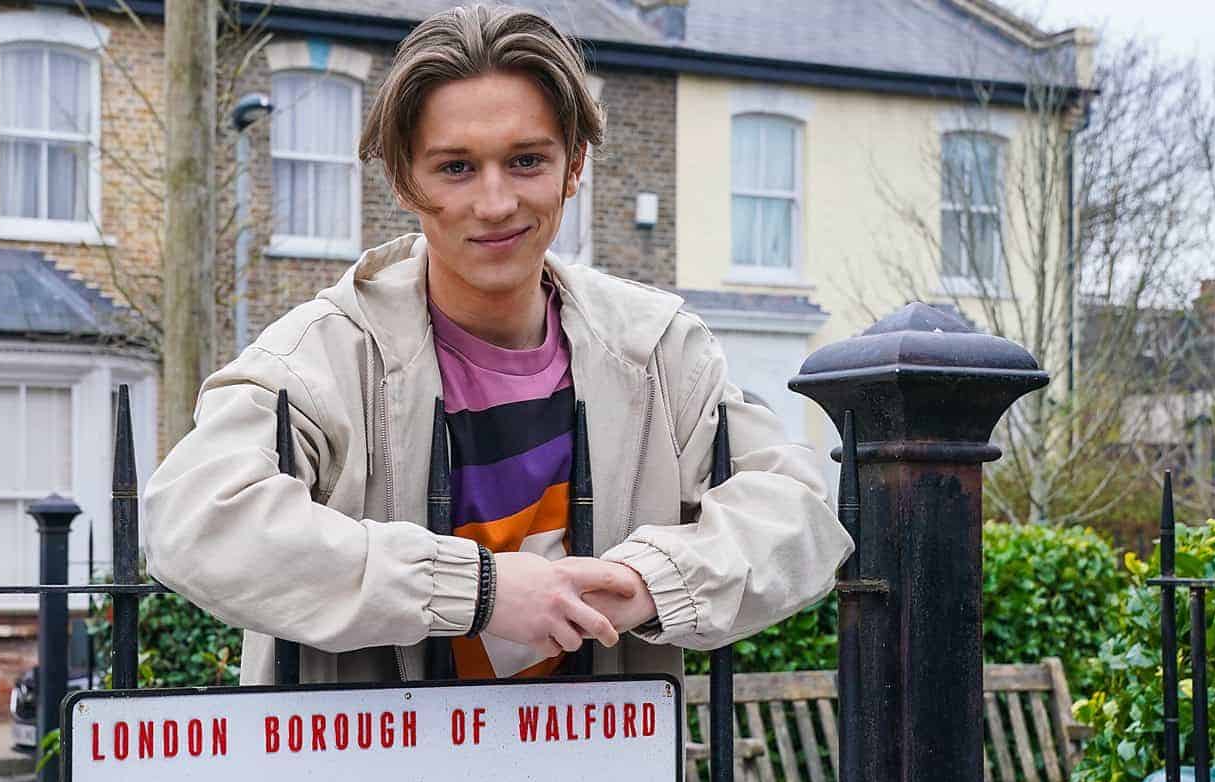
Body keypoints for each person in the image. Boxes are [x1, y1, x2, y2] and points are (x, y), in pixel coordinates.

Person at [142, 3, 853, 686]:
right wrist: (474, 590)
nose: (495, 203)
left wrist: (649, 581)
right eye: (456, 167)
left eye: (526, 161)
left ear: (574, 165)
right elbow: (191, 519)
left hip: (593, 763)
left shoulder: (660, 349)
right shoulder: (319, 358)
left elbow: (799, 513)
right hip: (381, 763)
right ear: (404, 181)